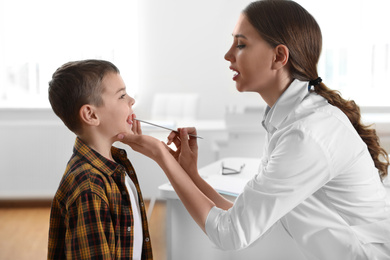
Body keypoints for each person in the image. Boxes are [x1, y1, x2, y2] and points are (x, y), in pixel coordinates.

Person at [119, 0, 390, 259]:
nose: (227, 55)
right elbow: (246, 221)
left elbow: (232, 234)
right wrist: (190, 174)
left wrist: (162, 157)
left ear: (279, 56)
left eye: (241, 44)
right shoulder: (286, 122)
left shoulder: (305, 134)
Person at [47, 59, 152, 259]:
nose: (132, 100)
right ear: (91, 114)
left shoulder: (116, 165)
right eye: (122, 95)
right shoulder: (89, 187)